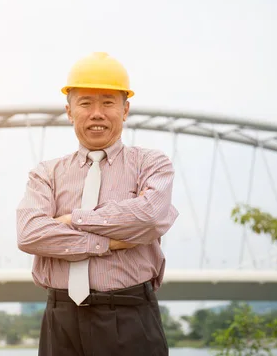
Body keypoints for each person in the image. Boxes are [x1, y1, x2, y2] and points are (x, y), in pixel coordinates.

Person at [16, 52, 179, 356]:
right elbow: (30, 234)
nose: (97, 113)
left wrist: (71, 219)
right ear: (69, 111)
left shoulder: (151, 164)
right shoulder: (46, 173)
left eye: (107, 102)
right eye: (86, 103)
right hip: (60, 318)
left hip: (130, 314)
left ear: (125, 109)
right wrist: (110, 242)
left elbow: (149, 216)